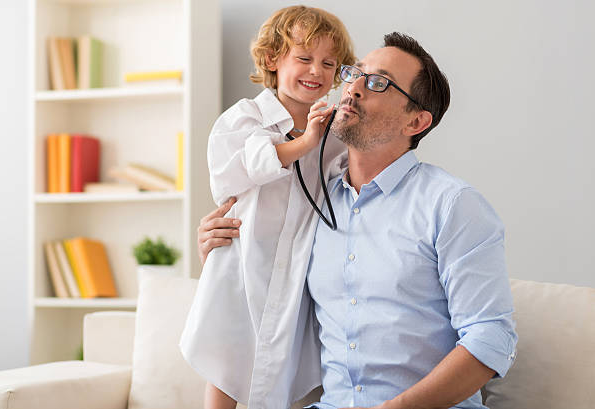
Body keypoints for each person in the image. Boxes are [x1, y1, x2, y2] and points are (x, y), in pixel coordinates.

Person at [197, 32, 518, 409]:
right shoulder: (312, 203)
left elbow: (490, 338)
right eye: (354, 74)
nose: (353, 88)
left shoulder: (452, 205)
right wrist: (222, 252)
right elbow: (271, 292)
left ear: (415, 121)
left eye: (378, 82)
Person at [179, 6, 355, 409]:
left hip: (296, 272)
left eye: (329, 63)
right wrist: (304, 143)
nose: (317, 71)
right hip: (241, 264)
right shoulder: (245, 118)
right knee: (228, 357)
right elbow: (251, 164)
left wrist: (323, 137)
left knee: (292, 361)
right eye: (304, 58)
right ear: (273, 59)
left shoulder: (334, 134)